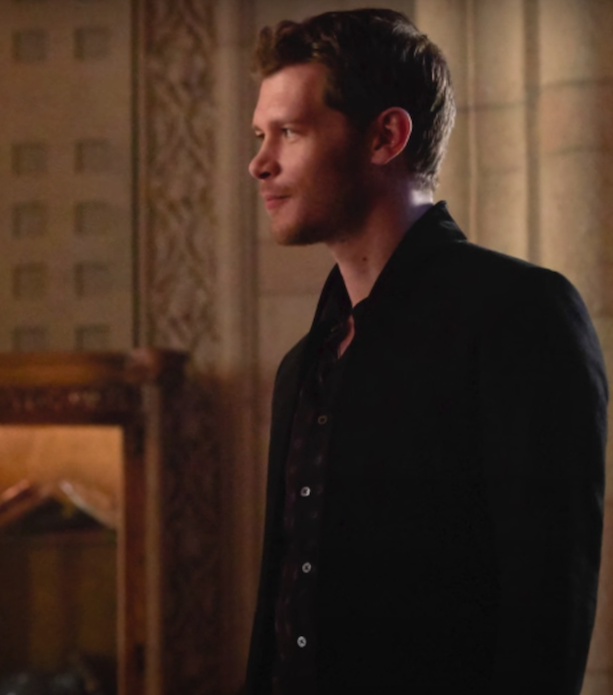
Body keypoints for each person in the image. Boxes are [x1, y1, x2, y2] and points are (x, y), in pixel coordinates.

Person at [244, 9, 606, 695]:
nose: (260, 162)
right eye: (261, 136)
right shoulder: (303, 366)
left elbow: (547, 616)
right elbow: (281, 610)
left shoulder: (519, 314)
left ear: (386, 136)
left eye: (289, 132)